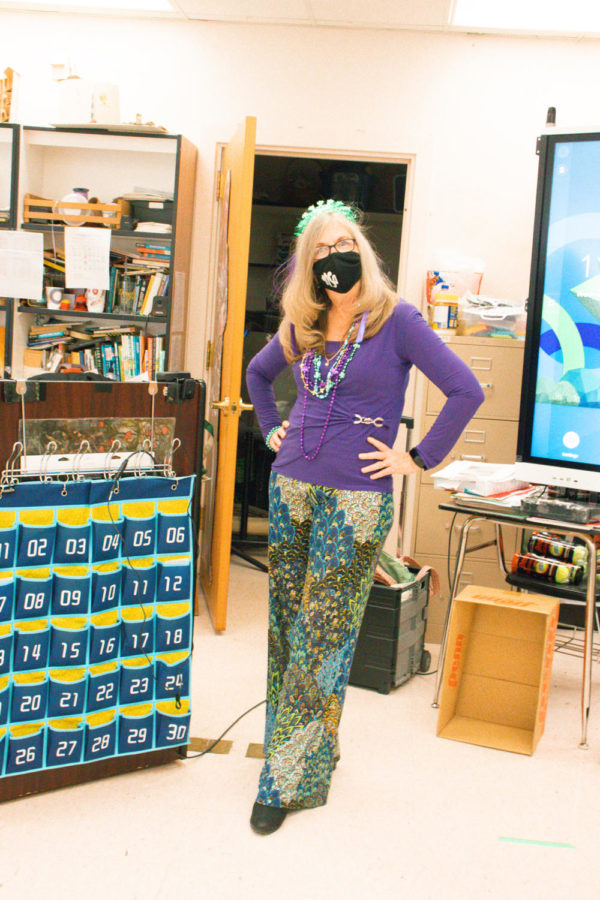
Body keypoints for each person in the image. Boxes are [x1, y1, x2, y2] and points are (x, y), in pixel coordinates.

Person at [245, 199, 484, 835]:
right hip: (290, 488)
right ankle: (303, 745)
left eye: (343, 242)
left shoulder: (398, 319)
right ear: (307, 263)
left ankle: (285, 781)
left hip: (356, 502)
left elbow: (467, 390)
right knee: (289, 628)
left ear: (363, 250)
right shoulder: (305, 321)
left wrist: (418, 458)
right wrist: (273, 430)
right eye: (320, 250)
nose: (333, 256)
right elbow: (258, 375)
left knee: (324, 635)